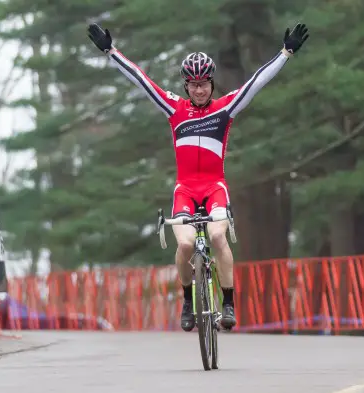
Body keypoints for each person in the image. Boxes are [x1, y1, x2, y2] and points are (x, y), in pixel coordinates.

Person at [87, 23, 309, 331]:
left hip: (215, 188)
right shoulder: (175, 109)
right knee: (187, 245)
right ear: (185, 86)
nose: (199, 89)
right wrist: (110, 52)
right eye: (193, 84)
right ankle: (189, 301)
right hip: (186, 191)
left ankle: (228, 303)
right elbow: (142, 80)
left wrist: (286, 53)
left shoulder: (224, 108)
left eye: (204, 83)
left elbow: (256, 82)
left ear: (212, 83)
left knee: (218, 236)